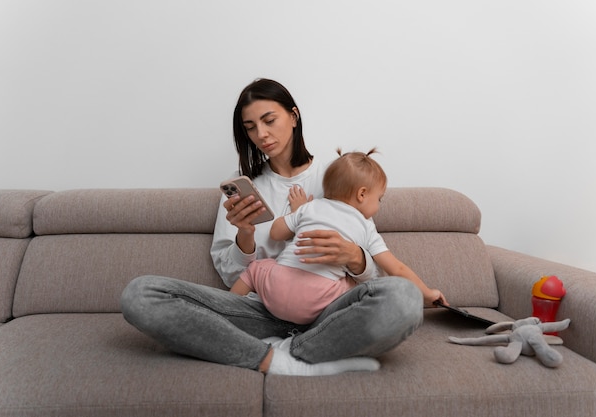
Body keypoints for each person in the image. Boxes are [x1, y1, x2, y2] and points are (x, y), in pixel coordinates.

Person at [120, 78, 424, 376]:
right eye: (250, 128)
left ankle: (301, 347)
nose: (261, 134)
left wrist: (355, 258)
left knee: (404, 298)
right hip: (261, 310)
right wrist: (245, 236)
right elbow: (231, 276)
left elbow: (374, 263)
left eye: (269, 120)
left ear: (293, 116)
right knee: (141, 294)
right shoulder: (245, 187)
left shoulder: (336, 176)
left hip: (330, 313)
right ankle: (274, 360)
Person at [230, 148, 447, 325]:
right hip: (316, 302)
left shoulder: (311, 207)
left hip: (276, 290)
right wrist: (427, 294)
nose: (379, 205)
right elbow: (396, 269)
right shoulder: (366, 226)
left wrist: (296, 212)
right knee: (353, 283)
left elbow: (276, 233)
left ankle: (227, 306)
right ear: (362, 194)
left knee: (257, 267)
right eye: (379, 198)